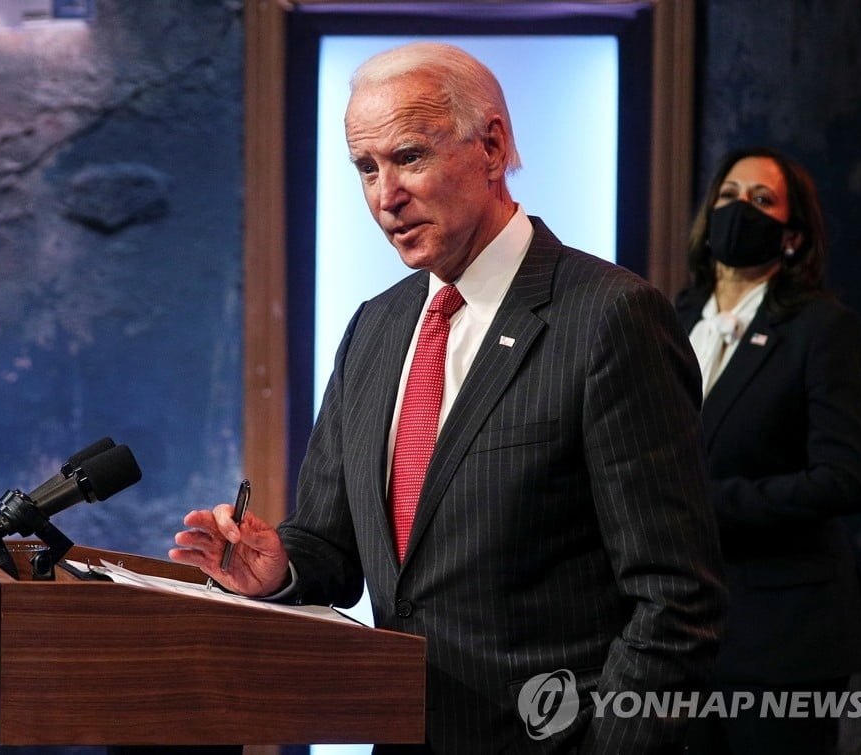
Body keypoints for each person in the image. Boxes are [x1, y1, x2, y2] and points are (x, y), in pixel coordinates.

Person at [171, 42, 725, 753]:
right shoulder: (375, 325)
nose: (383, 196)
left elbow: (677, 600)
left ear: (491, 146)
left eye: (407, 157)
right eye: (365, 169)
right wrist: (282, 567)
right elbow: (331, 542)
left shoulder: (609, 318)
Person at [675, 147, 861, 755]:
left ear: (791, 236)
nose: (742, 209)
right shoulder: (672, 317)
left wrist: (708, 504)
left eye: (763, 200)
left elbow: (842, 479)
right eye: (730, 196)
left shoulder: (821, 327)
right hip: (683, 631)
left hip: (784, 634)